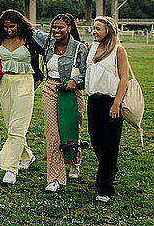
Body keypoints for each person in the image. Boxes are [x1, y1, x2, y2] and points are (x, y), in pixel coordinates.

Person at [32, 14, 88, 192]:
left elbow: (88, 74)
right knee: (53, 134)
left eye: (60, 27)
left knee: (71, 130)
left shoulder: (79, 48)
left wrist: (76, 80)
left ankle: (74, 161)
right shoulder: (49, 43)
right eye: (54, 27)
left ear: (69, 28)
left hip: (71, 92)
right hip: (50, 88)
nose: (56, 30)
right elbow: (31, 31)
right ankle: (55, 178)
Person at [0, 9, 44, 184]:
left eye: (12, 26)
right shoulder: (0, 40)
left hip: (24, 83)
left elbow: (50, 49)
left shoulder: (29, 39)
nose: (9, 30)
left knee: (17, 127)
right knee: (11, 126)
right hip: (6, 83)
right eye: (5, 26)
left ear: (20, 24)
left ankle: (11, 169)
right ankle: (27, 156)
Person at [85, 16, 129, 203]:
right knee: (96, 140)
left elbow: (124, 79)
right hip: (94, 99)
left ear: (108, 31)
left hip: (111, 102)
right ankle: (110, 167)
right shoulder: (92, 47)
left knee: (110, 144)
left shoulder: (119, 51)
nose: (94, 32)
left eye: (98, 29)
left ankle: (104, 188)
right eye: (94, 28)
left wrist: (117, 104)